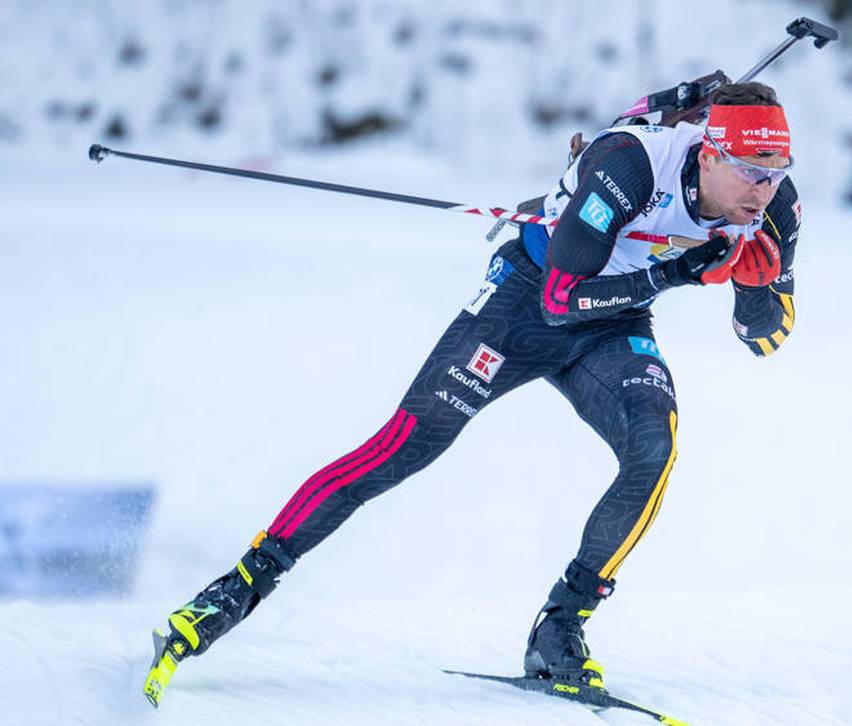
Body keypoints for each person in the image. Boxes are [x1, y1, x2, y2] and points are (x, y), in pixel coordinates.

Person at [144, 81, 801, 705]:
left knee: (654, 451)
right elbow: (560, 300)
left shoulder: (775, 207)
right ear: (708, 154)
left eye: (776, 172)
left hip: (613, 328)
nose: (763, 189)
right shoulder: (627, 164)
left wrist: (752, 291)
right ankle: (234, 590)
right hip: (525, 303)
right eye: (750, 171)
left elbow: (767, 336)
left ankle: (560, 628)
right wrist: (677, 272)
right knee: (401, 449)